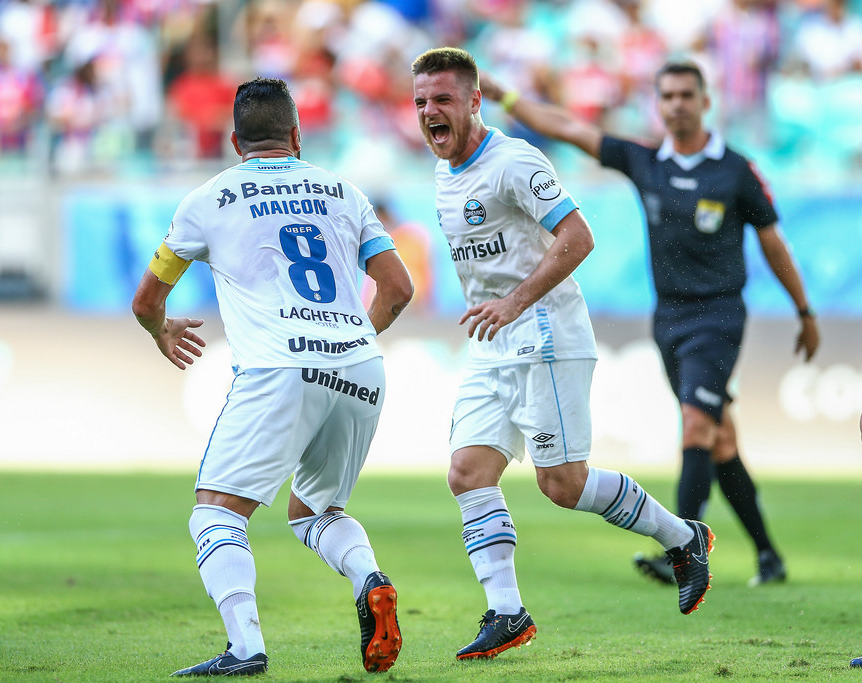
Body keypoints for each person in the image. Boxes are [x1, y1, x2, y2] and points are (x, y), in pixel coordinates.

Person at [410, 46, 714, 662]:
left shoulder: (515, 162)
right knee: (467, 472)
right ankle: (506, 612)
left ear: (474, 100)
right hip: (493, 344)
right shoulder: (444, 171)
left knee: (563, 485)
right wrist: (500, 307)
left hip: (547, 336)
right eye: (420, 102)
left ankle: (684, 539)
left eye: (442, 99)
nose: (428, 112)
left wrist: (516, 300)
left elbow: (579, 237)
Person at [480, 60, 820, 587]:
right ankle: (769, 557)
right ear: (657, 104)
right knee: (721, 441)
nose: (677, 103)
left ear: (705, 101)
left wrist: (803, 310)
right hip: (669, 318)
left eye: (687, 94)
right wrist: (506, 98)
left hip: (720, 315)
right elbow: (567, 127)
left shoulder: (736, 170)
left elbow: (773, 243)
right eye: (668, 95)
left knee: (696, 424)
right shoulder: (644, 161)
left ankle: (681, 548)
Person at [131, 77, 413, 677]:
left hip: (279, 368)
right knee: (314, 511)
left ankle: (246, 649)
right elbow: (399, 288)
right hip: (360, 365)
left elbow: (147, 299)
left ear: (236, 141)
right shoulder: (344, 191)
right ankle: (370, 579)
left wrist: (159, 330)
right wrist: (346, 341)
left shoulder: (207, 199)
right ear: (296, 135)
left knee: (215, 512)